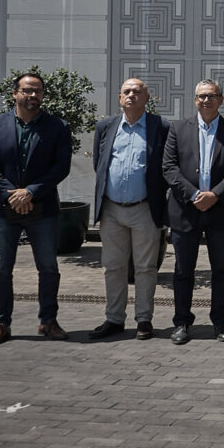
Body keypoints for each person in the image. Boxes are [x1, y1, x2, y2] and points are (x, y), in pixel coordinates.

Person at [0, 72, 72, 346]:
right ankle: (1, 323)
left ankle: (48, 321)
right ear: (15, 93)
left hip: (42, 208)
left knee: (48, 268)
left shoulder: (58, 127)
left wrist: (30, 191)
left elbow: (60, 167)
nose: (33, 96)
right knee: (1, 269)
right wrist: (12, 194)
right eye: (27, 90)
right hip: (2, 208)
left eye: (38, 91)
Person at [162, 79, 224, 345]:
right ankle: (182, 322)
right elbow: (169, 167)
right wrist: (194, 194)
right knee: (183, 270)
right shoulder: (177, 128)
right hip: (186, 210)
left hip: (220, 210)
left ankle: (220, 321)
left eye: (211, 96)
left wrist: (215, 194)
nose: (206, 101)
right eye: (201, 96)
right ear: (195, 99)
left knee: (221, 269)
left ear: (220, 99)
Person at [89, 78, 171, 341]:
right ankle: (114, 319)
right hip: (112, 209)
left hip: (145, 208)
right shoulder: (105, 126)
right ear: (119, 97)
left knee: (146, 267)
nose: (132, 95)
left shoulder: (161, 127)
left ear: (147, 98)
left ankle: (144, 319)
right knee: (113, 266)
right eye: (127, 91)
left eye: (138, 91)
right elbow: (100, 166)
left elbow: (168, 166)